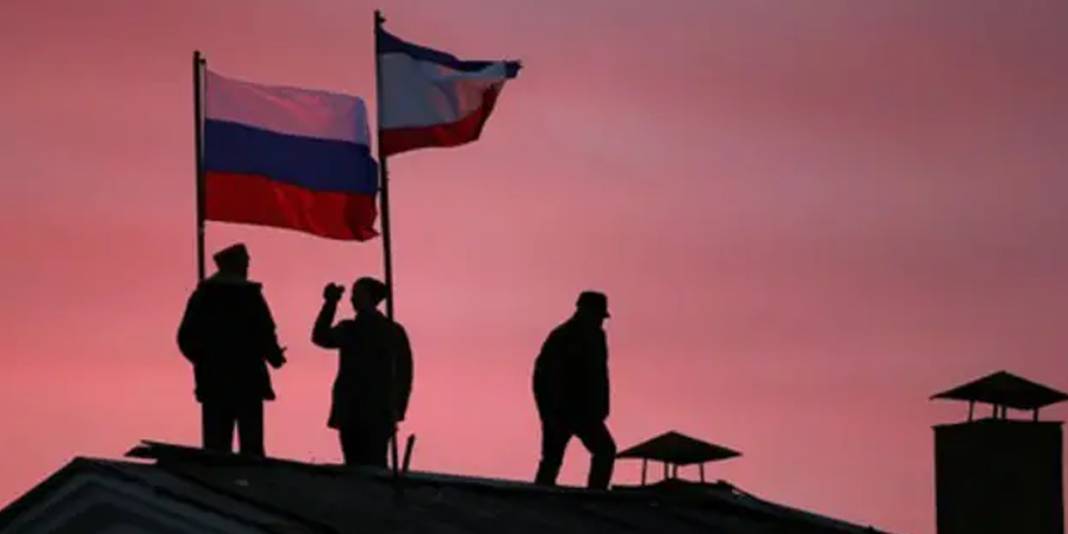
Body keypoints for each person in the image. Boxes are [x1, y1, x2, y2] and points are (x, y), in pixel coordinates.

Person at [176, 243, 286, 456]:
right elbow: (265, 331)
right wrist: (273, 356)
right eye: (245, 262)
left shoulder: (204, 295)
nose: (248, 266)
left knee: (217, 447)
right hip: (244, 379)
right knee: (249, 449)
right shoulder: (248, 296)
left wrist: (204, 361)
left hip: (217, 380)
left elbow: (186, 338)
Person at [312, 277, 413, 467]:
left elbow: (404, 374)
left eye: (357, 294)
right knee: (355, 466)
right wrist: (330, 304)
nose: (352, 299)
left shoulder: (391, 332)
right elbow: (320, 337)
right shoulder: (350, 329)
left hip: (377, 411)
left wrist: (398, 408)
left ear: (370, 297)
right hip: (353, 411)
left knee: (374, 467)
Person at [533, 291, 617, 490]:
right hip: (561, 411)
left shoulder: (597, 338)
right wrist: (550, 412)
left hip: (586, 413)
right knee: (552, 459)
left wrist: (602, 407)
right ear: (584, 311)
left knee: (605, 451)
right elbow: (542, 379)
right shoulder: (562, 337)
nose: (599, 321)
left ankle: (595, 496)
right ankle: (538, 501)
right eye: (597, 315)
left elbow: (600, 376)